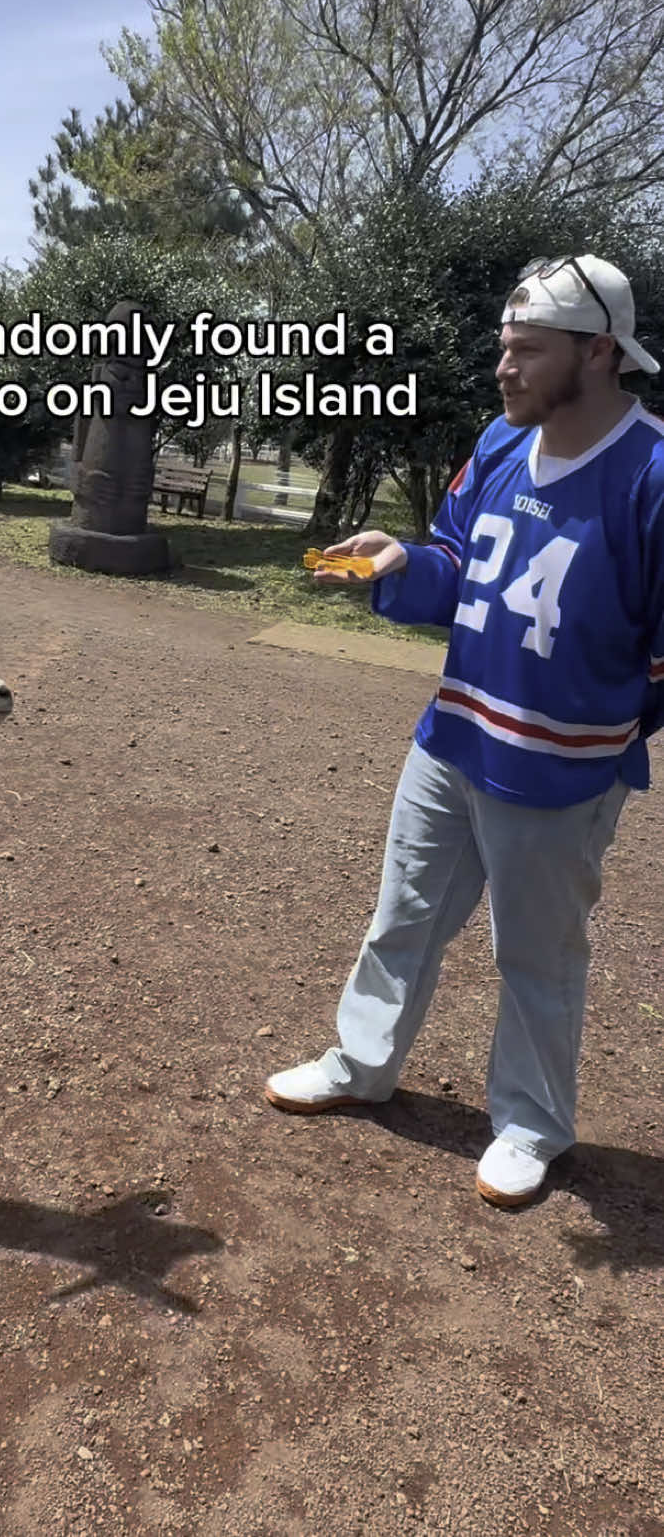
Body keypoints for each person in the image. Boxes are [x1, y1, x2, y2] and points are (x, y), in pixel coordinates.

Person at [265, 254, 664, 1208]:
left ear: (599, 351)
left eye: (527, 350)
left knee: (536, 954)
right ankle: (362, 1061)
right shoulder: (495, 443)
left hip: (560, 773)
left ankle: (531, 1123)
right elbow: (455, 558)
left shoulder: (652, 474)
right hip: (451, 737)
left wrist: (605, 734)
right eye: (503, 348)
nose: (504, 367)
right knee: (402, 915)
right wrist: (404, 560)